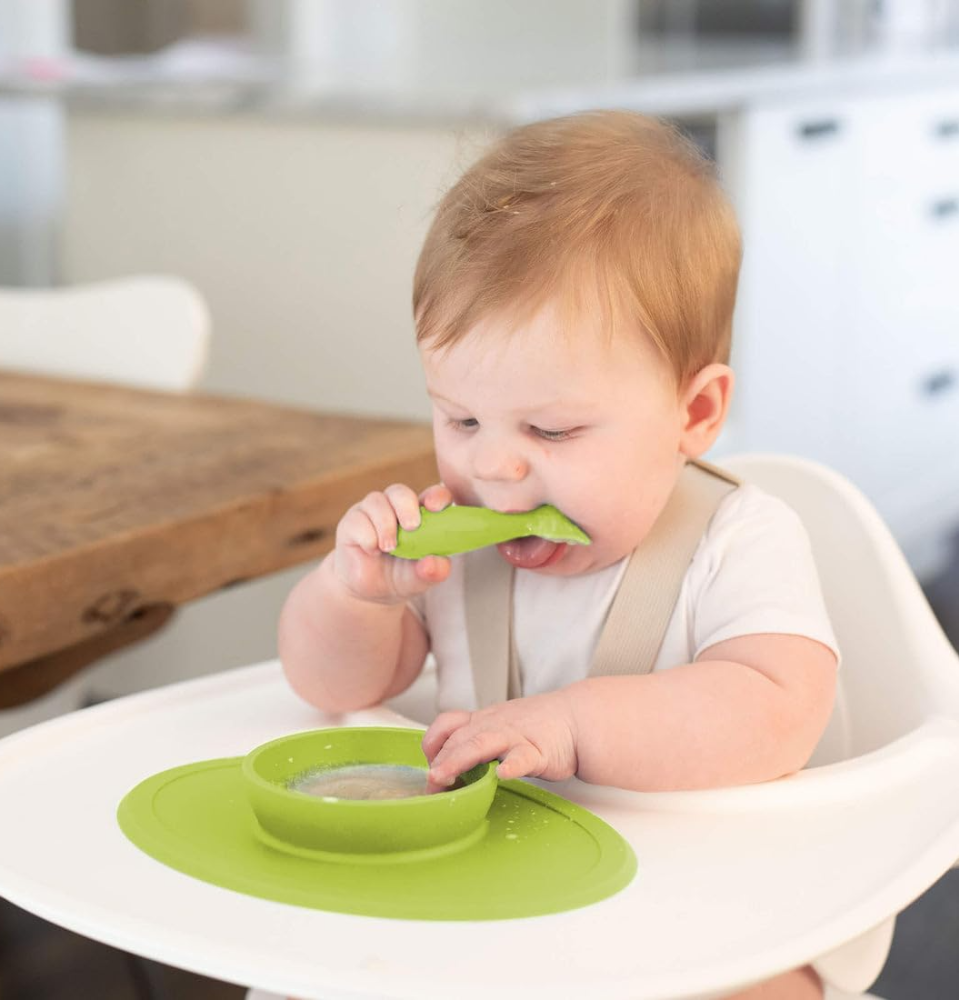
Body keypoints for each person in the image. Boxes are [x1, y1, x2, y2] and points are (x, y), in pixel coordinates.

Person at [278, 110, 840, 999]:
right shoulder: (450, 544)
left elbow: (778, 711)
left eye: (550, 428)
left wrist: (573, 725)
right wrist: (357, 595)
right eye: (460, 419)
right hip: (489, 903)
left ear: (692, 415)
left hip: (705, 916)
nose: (492, 464)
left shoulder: (741, 540)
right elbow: (333, 687)